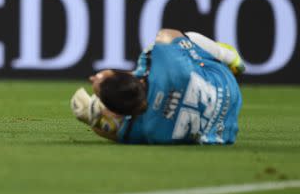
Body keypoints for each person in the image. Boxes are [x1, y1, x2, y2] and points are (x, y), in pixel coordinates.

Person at [70, 28, 244, 145]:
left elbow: (116, 132)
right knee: (188, 38)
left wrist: (94, 119)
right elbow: (169, 34)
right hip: (225, 82)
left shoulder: (150, 131)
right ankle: (231, 58)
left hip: (225, 130)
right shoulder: (164, 60)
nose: (92, 77)